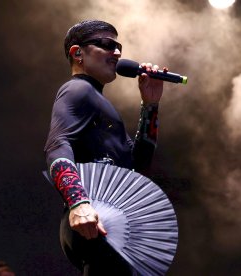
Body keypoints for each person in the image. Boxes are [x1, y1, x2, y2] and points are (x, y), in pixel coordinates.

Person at [44, 20, 164, 275]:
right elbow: (57, 145)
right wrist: (78, 203)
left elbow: (137, 167)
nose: (118, 53)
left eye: (118, 46)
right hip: (93, 220)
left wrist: (150, 105)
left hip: (106, 221)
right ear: (78, 54)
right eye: (107, 44)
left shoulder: (98, 102)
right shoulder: (77, 90)